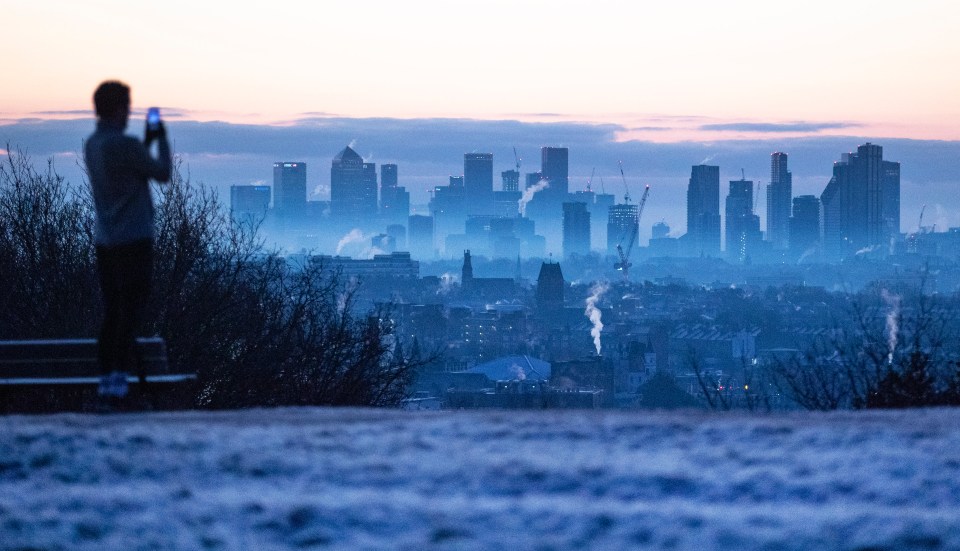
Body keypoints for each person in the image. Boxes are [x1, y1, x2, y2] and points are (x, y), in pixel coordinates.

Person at [84, 81, 171, 398]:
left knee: (113, 311)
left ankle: (107, 375)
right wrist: (161, 139)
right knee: (131, 310)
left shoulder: (93, 144)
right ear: (120, 108)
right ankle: (120, 378)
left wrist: (141, 147)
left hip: (105, 238)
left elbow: (128, 172)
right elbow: (162, 173)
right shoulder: (124, 145)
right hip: (134, 237)